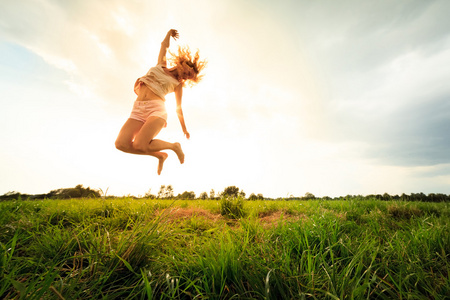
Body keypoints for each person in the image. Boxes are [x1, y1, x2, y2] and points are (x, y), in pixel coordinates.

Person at [115, 29, 206, 175]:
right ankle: (159, 155)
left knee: (139, 144)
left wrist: (184, 129)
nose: (187, 76)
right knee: (120, 144)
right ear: (185, 64)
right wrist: (169, 33)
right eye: (189, 73)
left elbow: (178, 108)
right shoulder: (161, 64)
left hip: (156, 110)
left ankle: (174, 146)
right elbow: (164, 45)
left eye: (189, 77)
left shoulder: (178, 85)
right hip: (137, 109)